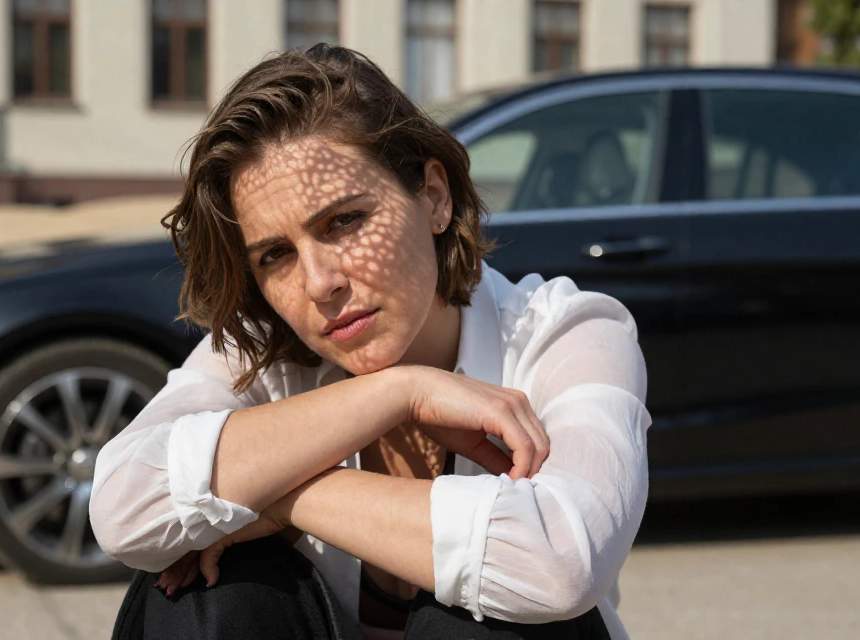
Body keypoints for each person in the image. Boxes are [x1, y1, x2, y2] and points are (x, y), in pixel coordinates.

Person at [89, 44, 651, 640]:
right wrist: (400, 392)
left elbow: (562, 561)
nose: (318, 284)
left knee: (492, 620)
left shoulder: (566, 332)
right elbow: (124, 507)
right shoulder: (266, 351)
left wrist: (280, 498)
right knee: (203, 598)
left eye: (345, 221)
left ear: (434, 196)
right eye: (275, 255)